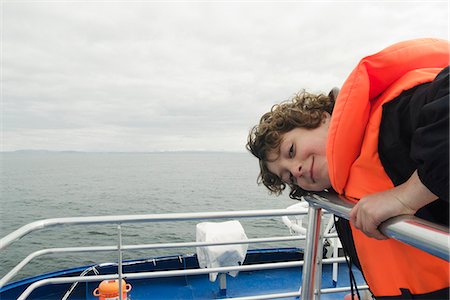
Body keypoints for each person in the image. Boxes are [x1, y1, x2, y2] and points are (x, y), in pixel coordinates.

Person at [246, 38, 449, 299]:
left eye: (291, 151)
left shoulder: (393, 117)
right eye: (287, 176)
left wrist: (406, 196)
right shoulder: (346, 186)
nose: (295, 171)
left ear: (320, 118)